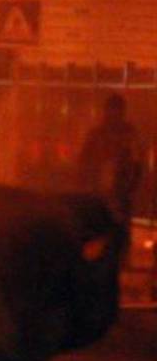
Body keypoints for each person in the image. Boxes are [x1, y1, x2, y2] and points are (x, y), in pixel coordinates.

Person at [77, 93, 141, 259]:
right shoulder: (97, 134)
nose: (113, 115)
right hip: (99, 189)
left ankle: (119, 256)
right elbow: (84, 161)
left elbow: (136, 162)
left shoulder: (129, 135)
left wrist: (129, 187)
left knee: (119, 225)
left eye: (117, 111)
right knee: (100, 225)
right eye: (111, 110)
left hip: (120, 189)